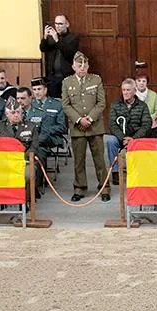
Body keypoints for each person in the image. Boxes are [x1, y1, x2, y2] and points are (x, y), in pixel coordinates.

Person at [61, 52, 110, 203]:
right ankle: (79, 188)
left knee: (99, 160)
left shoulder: (96, 79)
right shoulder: (67, 82)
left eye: (84, 65)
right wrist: (78, 120)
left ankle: (104, 188)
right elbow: (65, 105)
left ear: (88, 66)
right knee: (79, 160)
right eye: (79, 65)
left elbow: (101, 102)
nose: (82, 68)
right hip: (77, 128)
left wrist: (88, 119)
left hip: (94, 126)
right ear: (73, 66)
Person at [0, 97, 42, 204]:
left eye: (18, 112)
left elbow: (34, 146)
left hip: (25, 160)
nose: (16, 115)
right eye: (13, 112)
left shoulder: (31, 126)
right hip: (4, 161)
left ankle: (25, 201)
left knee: (28, 175)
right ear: (7, 114)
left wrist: (21, 158)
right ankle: (2, 201)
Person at [107, 78, 151, 185]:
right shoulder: (115, 104)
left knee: (145, 142)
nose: (125, 92)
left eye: (128, 90)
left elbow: (146, 124)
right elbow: (112, 125)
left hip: (136, 137)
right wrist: (123, 138)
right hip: (120, 137)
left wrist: (134, 138)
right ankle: (116, 172)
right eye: (123, 90)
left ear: (134, 91)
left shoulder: (142, 106)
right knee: (110, 141)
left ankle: (138, 172)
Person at [28, 77, 67, 164]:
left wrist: (47, 131)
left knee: (38, 143)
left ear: (45, 90)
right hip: (32, 138)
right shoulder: (30, 105)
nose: (37, 92)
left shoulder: (56, 105)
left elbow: (62, 127)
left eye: (39, 89)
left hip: (51, 137)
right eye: (34, 89)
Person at [40, 14, 79, 98]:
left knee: (66, 101)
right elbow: (43, 49)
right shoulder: (51, 37)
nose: (58, 26)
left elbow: (69, 53)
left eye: (60, 24)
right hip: (52, 77)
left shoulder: (73, 38)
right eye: (56, 24)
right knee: (54, 101)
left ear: (67, 24)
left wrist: (57, 40)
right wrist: (45, 37)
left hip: (66, 77)